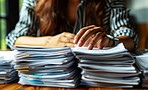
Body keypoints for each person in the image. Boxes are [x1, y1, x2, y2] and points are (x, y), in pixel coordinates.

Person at [6, 0, 138, 51]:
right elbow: (15, 38)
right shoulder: (34, 2)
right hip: (50, 77)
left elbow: (130, 38)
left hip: (97, 75)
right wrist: (49, 41)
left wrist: (111, 41)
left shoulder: (111, 1)